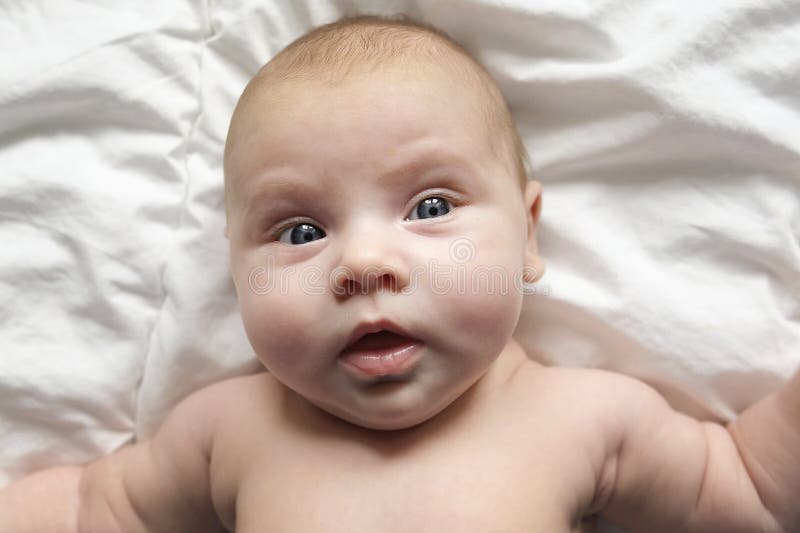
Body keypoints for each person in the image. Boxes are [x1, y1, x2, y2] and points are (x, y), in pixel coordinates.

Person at [1, 14, 798, 533]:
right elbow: (85, 509)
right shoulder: (228, 431)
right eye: (302, 230)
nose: (365, 263)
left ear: (525, 233)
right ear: (235, 269)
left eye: (428, 208)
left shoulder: (583, 416)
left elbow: (748, 490)